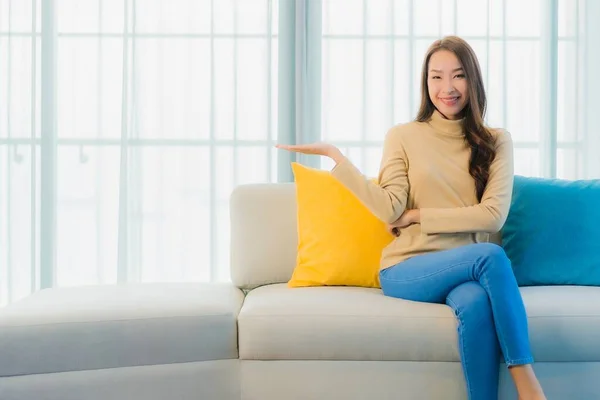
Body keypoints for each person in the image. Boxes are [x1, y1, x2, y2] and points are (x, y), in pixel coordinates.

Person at [276, 36, 546, 400]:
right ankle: (528, 385)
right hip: (408, 269)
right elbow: (390, 208)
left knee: (476, 303)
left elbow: (493, 215)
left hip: (465, 268)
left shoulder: (496, 140)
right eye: (436, 77)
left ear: (473, 81)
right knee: (492, 256)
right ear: (426, 83)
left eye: (458, 76)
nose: (447, 88)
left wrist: (418, 215)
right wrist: (337, 160)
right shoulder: (403, 136)